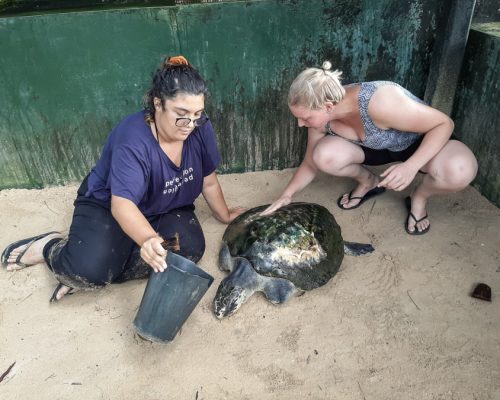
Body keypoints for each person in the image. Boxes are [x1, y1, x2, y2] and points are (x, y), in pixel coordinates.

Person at [1, 55, 245, 301]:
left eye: (197, 115)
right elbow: (122, 205)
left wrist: (223, 214)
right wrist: (148, 239)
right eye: (181, 114)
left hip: (164, 206)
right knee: (88, 270)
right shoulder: (133, 140)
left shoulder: (199, 126)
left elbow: (208, 178)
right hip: (110, 207)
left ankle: (99, 265)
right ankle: (51, 247)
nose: (190, 124)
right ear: (158, 103)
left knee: (187, 248)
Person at [262, 61, 478, 235]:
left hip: (419, 143)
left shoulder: (380, 101)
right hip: (375, 149)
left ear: (328, 106)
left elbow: (444, 124)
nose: (300, 124)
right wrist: (287, 195)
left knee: (461, 170)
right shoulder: (322, 119)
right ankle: (369, 182)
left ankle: (419, 197)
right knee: (323, 155)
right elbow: (310, 163)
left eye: (305, 118)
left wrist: (411, 167)